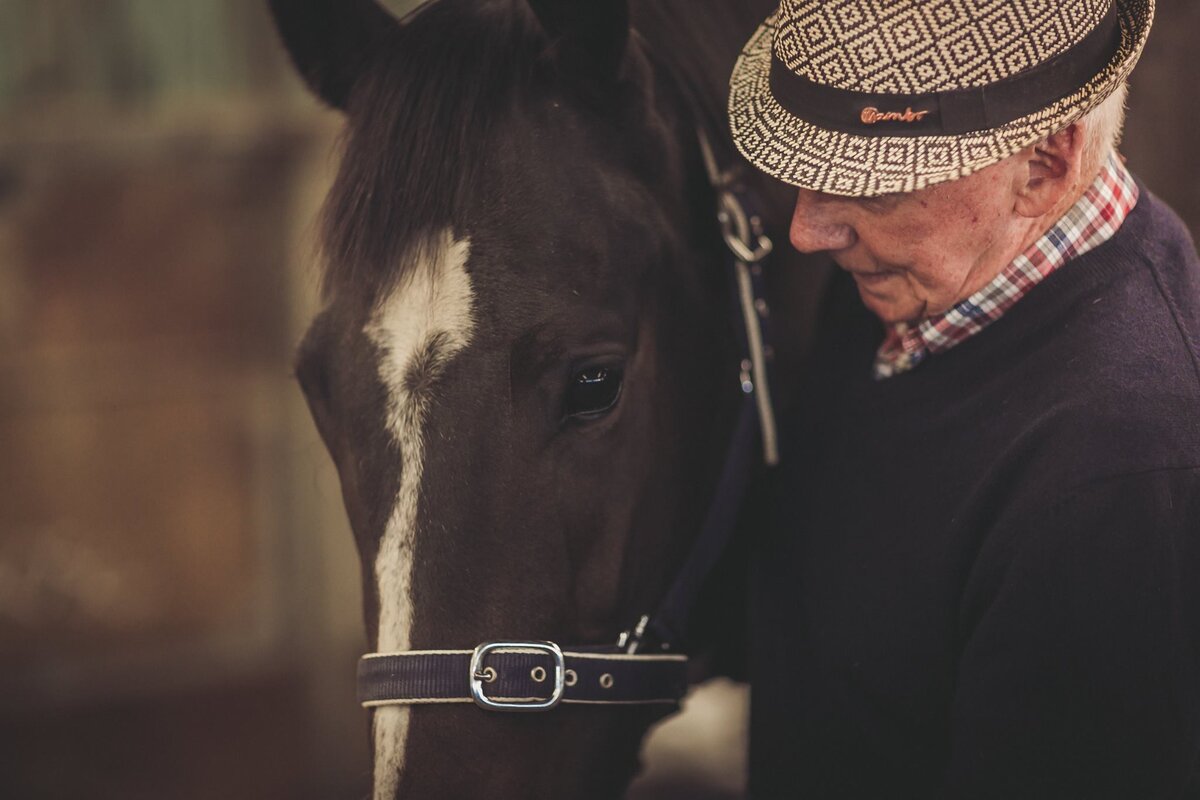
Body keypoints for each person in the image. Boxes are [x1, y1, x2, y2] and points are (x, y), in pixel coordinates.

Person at [726, 0, 1200, 797]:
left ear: (1044, 166)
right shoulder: (913, 272)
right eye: (809, 171)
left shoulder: (1122, 475)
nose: (808, 232)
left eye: (870, 188)